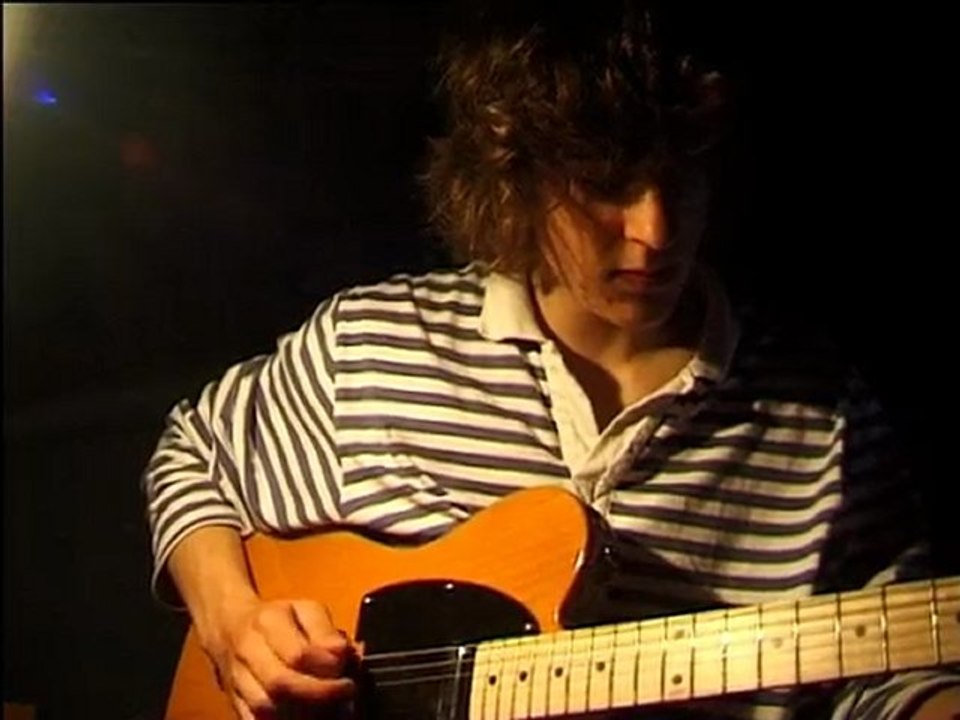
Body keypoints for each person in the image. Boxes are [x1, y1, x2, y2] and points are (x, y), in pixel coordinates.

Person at [142, 1, 960, 718]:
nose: (655, 230)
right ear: (518, 175)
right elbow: (194, 453)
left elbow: (883, 679)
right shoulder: (370, 347)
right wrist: (233, 625)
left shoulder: (824, 415)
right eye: (606, 183)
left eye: (682, 179)